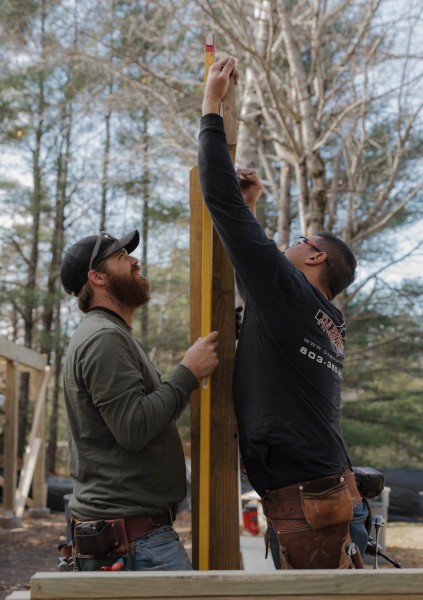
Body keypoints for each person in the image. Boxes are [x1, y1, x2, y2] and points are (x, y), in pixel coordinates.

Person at [198, 57, 368, 569]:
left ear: (315, 258)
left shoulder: (293, 296)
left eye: (299, 240)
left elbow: (219, 201)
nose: (286, 246)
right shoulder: (326, 320)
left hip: (312, 507)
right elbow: (260, 278)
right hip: (323, 495)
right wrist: (251, 209)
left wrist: (211, 106)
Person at [59, 229, 219, 571]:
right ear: (97, 277)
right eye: (121, 257)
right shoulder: (104, 338)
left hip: (134, 539)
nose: (135, 261)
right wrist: (187, 372)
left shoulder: (110, 333)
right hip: (136, 544)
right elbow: (134, 427)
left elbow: (144, 420)